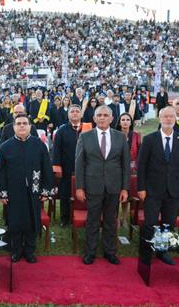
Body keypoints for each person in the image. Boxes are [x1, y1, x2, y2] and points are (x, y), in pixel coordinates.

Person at [0, 113, 54, 263]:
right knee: (14, 221)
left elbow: (47, 168)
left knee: (32, 221)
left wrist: (46, 190)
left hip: (34, 191)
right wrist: (2, 193)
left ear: (30, 126)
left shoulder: (39, 145)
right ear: (13, 127)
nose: (21, 126)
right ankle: (16, 250)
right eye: (18, 123)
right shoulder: (5, 147)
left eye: (24, 123)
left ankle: (29, 250)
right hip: (13, 192)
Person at [75, 105, 130, 265]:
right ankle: (90, 252)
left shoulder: (120, 137)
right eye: (99, 115)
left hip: (114, 186)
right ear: (94, 118)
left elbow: (125, 165)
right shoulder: (85, 137)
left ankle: (110, 252)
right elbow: (79, 164)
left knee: (110, 221)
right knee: (92, 220)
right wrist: (79, 186)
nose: (102, 118)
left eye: (106, 115)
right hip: (93, 186)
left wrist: (125, 188)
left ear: (112, 119)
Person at [137, 106, 179, 265]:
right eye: (165, 116)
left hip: (173, 191)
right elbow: (142, 167)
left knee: (168, 223)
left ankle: (162, 251)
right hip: (152, 190)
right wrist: (141, 188)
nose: (168, 119)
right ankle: (146, 252)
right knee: (150, 223)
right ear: (160, 119)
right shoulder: (149, 139)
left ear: (175, 119)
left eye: (171, 117)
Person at [52, 105, 85, 226]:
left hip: (85, 168)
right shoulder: (62, 130)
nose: (75, 113)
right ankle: (65, 218)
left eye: (77, 111)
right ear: (68, 114)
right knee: (65, 193)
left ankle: (82, 214)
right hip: (66, 167)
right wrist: (57, 167)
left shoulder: (88, 128)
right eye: (72, 111)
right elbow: (56, 150)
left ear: (81, 114)